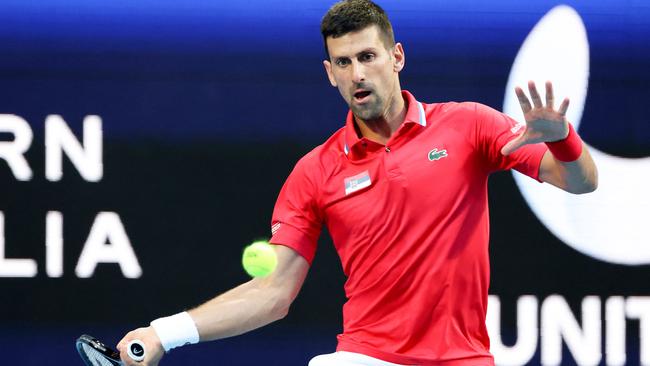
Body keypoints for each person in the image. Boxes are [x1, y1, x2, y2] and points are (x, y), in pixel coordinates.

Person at [117, 1, 598, 365]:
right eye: (343, 63)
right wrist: (165, 332)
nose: (357, 74)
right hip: (365, 358)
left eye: (368, 56)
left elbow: (581, 183)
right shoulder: (314, 172)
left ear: (397, 57)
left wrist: (563, 140)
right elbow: (273, 293)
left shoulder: (468, 125)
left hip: (464, 356)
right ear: (330, 73)